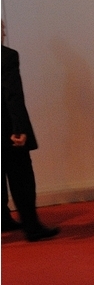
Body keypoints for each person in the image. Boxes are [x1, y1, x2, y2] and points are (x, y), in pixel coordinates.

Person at [3, 36, 59, 241]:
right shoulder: (6, 56)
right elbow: (12, 94)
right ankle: (31, 226)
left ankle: (3, 219)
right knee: (21, 177)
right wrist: (19, 128)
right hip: (6, 127)